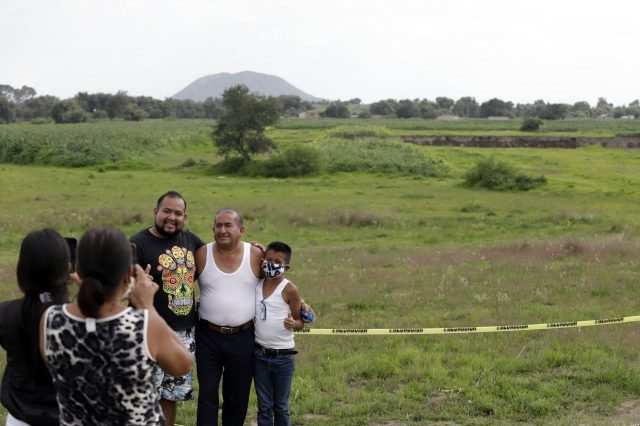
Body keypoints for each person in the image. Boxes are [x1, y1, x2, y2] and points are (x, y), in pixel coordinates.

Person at [39, 226, 192, 426]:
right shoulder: (143, 325)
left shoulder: (51, 320)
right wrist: (148, 307)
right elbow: (183, 365)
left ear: (77, 269)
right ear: (129, 273)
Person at [195, 209, 314, 426]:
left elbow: (276, 280)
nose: (223, 230)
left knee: (237, 396)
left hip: (243, 336)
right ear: (213, 229)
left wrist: (301, 302)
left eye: (228, 225)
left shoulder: (256, 255)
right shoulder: (202, 253)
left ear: (241, 230)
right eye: (218, 225)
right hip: (207, 336)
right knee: (207, 394)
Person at [130, 191, 205, 426]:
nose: (172, 217)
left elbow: (220, 255)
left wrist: (253, 249)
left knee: (170, 395)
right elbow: (124, 286)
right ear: (155, 212)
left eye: (178, 213)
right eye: (167, 211)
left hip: (183, 333)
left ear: (185, 216)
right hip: (146, 332)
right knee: (144, 396)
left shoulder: (192, 241)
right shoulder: (137, 244)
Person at [0, 229, 70, 426]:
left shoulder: (6, 313)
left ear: (23, 267)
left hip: (20, 418)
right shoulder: (75, 318)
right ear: (66, 268)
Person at [253, 242, 305, 426]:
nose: (271, 264)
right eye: (268, 260)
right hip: (259, 355)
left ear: (286, 267)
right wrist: (256, 246)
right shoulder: (256, 283)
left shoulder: (289, 289)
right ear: (262, 261)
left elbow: (301, 323)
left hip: (283, 357)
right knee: (264, 405)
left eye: (277, 261)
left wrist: (294, 323)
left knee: (281, 406)